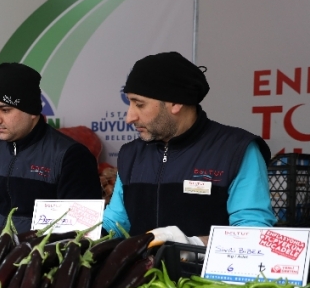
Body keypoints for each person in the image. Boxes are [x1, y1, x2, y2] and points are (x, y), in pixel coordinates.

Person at [102, 51, 275, 245]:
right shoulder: (130, 154)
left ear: (176, 102)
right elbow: (115, 223)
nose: (129, 117)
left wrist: (193, 245)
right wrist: (76, 235)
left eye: (139, 104)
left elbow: (254, 232)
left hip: (204, 275)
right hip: (141, 275)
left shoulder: (236, 149)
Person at [0, 63, 102, 256]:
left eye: (5, 110)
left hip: (44, 270)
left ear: (32, 111)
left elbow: (81, 234)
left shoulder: (72, 156)